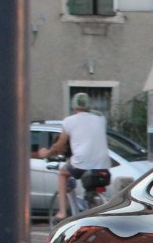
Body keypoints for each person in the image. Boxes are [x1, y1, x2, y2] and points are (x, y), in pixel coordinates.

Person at [36, 92, 111, 221]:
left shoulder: (69, 121)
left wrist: (46, 153)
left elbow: (59, 146)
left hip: (82, 163)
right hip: (104, 165)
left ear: (73, 107)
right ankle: (91, 204)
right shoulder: (101, 119)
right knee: (78, 168)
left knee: (62, 173)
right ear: (88, 106)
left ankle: (62, 212)